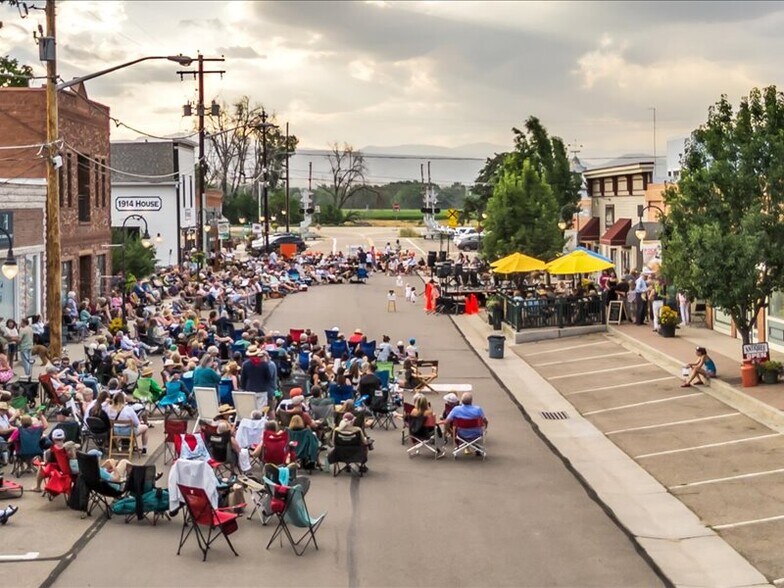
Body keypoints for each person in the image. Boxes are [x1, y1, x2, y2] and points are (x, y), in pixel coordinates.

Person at [240, 345, 272, 411]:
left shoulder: (245, 364)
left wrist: (243, 389)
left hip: (249, 389)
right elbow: (268, 377)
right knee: (261, 411)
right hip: (262, 390)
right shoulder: (264, 364)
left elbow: (243, 379)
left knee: (250, 410)